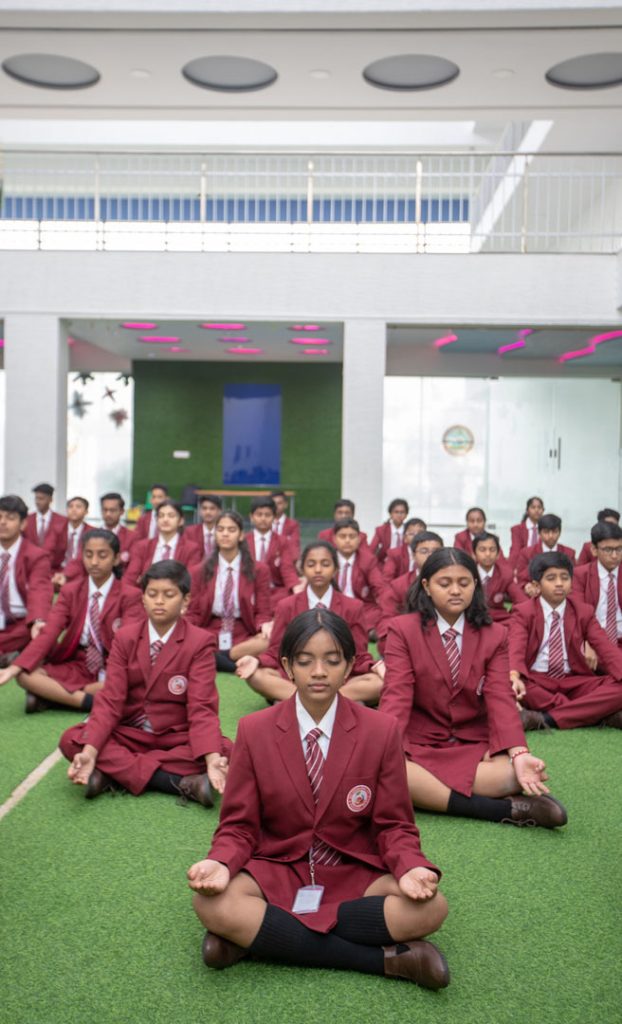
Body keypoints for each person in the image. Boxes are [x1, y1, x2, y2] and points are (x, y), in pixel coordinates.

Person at [187, 608, 449, 990]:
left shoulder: (380, 730)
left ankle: (259, 940)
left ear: (350, 666)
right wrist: (221, 861)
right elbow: (238, 825)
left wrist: (410, 866)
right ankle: (384, 961)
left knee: (431, 908)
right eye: (305, 661)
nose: (319, 672)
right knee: (210, 903)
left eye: (332, 660)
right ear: (287, 667)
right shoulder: (254, 730)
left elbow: (394, 824)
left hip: (351, 869)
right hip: (280, 867)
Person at [380, 548, 567, 829]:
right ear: (426, 586)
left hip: (472, 740)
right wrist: (383, 748)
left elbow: (500, 697)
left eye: (464, 583)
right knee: (392, 771)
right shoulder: (402, 629)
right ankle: (502, 809)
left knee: (513, 773)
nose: (455, 590)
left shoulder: (495, 635)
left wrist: (519, 753)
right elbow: (397, 694)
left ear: (475, 585)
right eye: (445, 583)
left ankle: (431, 791)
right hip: (420, 740)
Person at [60, 560, 231, 806]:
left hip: (176, 737)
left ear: (185, 600)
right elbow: (110, 700)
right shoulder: (125, 637)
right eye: (152, 594)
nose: (159, 601)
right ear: (143, 599)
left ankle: (112, 775)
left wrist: (213, 759)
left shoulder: (200, 642)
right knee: (72, 739)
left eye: (169, 595)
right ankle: (180, 783)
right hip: (131, 733)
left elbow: (201, 707)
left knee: (227, 751)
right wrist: (89, 752)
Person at [0, 529, 143, 713]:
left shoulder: (130, 595)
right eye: (88, 555)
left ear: (116, 559)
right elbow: (49, 632)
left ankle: (53, 698)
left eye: (102, 555)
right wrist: (13, 669)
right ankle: (89, 702)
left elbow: (128, 644)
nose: (94, 562)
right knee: (25, 675)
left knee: (129, 682)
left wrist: (113, 675)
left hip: (112, 664)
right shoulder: (71, 591)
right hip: (79, 663)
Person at [236, 541, 384, 704]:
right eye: (311, 564)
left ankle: (299, 701)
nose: (318, 570)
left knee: (379, 682)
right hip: (298, 678)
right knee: (256, 675)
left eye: (325, 564)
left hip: (338, 679)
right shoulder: (286, 606)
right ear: (302, 569)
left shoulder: (353, 607)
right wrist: (257, 660)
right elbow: (276, 651)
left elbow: (359, 655)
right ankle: (331, 702)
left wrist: (375, 665)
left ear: (335, 569)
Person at [508, 552, 622, 732]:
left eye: (565, 577)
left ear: (571, 582)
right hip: (537, 681)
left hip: (574, 680)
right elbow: (516, 647)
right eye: (551, 578)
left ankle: (546, 718)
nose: (559, 583)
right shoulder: (523, 612)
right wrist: (514, 675)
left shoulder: (583, 611)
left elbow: (606, 649)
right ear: (536, 585)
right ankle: (597, 713)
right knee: (514, 686)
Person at [186, 510, 272, 673]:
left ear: (241, 535)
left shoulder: (259, 570)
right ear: (215, 534)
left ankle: (220, 658)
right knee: (184, 639)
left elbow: (263, 611)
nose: (225, 534)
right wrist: (185, 630)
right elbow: (193, 612)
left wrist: (264, 626)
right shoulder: (198, 571)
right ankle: (231, 663)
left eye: (231, 530)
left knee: (269, 640)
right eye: (220, 529)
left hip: (243, 633)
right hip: (210, 631)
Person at [0, 495, 53, 666]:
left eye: (10, 518)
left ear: (23, 524)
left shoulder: (36, 556)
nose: (3, 522)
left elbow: (40, 589)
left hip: (20, 623)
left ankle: (10, 653)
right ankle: (9, 654)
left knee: (36, 631)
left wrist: (38, 620)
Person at [377, 532, 443, 653]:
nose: (430, 555)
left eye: (435, 551)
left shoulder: (453, 583)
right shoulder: (398, 585)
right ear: (413, 555)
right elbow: (387, 619)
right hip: (408, 639)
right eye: (424, 551)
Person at [124, 500, 202, 589]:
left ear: (181, 521)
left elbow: (191, 581)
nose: (165, 520)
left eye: (171, 516)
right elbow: (129, 579)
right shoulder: (142, 547)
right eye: (161, 516)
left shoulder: (191, 549)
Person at [245, 497, 299, 613]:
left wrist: (296, 588)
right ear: (251, 517)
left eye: (267, 515)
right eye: (259, 514)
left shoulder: (282, 541)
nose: (263, 518)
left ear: (274, 517)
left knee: (286, 601)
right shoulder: (243, 541)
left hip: (273, 590)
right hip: (249, 588)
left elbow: (287, 568)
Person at [332, 518, 385, 635]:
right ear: (334, 539)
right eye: (342, 536)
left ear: (359, 539)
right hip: (333, 606)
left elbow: (379, 587)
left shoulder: (368, 560)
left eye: (352, 536)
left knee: (378, 613)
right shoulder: (328, 559)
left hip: (361, 607)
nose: (347, 540)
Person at [573, 521, 622, 646]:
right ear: (594, 550)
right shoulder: (580, 575)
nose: (614, 555)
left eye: (619, 549)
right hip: (593, 642)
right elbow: (578, 615)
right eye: (608, 550)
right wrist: (586, 642)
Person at [472, 532, 525, 622]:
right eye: (482, 550)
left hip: (498, 620)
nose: (488, 554)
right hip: (472, 619)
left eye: (492, 550)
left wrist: (514, 616)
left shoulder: (505, 574)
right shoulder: (468, 573)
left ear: (498, 554)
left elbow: (522, 601)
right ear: (474, 554)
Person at [515, 514, 576, 590]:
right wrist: (527, 587)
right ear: (539, 533)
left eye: (554, 532)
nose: (550, 536)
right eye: (546, 532)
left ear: (560, 532)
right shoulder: (526, 553)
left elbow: (574, 579)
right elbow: (521, 580)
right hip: (535, 594)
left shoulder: (569, 553)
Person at [51, 496, 93, 584]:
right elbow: (49, 552)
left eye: (78, 507)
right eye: (70, 506)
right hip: (57, 572)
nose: (74, 509)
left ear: (86, 512)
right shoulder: (57, 529)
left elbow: (83, 557)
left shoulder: (92, 532)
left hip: (82, 573)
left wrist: (66, 574)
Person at [22, 482, 67, 562]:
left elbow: (62, 547)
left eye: (41, 498)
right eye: (36, 498)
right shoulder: (27, 520)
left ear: (50, 500)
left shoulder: (62, 521)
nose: (38, 502)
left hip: (53, 565)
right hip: (29, 563)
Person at [370, 498, 410, 565]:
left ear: (406, 515)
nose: (399, 515)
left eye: (402, 512)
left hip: (404, 565)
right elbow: (372, 549)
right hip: (385, 563)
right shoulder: (381, 530)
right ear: (390, 514)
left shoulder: (409, 530)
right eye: (396, 512)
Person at [184, 494, 223, 561]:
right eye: (204, 508)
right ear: (200, 511)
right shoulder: (190, 532)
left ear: (219, 511)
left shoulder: (224, 533)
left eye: (212, 508)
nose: (208, 512)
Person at [100, 492, 134, 565]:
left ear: (122, 511)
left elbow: (133, 564)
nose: (108, 514)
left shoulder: (132, 537)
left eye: (112, 510)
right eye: (105, 510)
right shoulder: (91, 535)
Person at [509, 496, 545, 565]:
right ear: (527, 510)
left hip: (542, 564)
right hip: (523, 564)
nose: (536, 510)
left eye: (539, 507)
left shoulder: (547, 530)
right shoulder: (517, 529)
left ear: (543, 510)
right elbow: (515, 551)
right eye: (533, 507)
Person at [270, 489, 301, 561]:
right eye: (273, 504)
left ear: (285, 505)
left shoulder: (293, 525)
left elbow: (294, 546)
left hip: (286, 560)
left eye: (279, 503)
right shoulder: (264, 523)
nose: (276, 506)